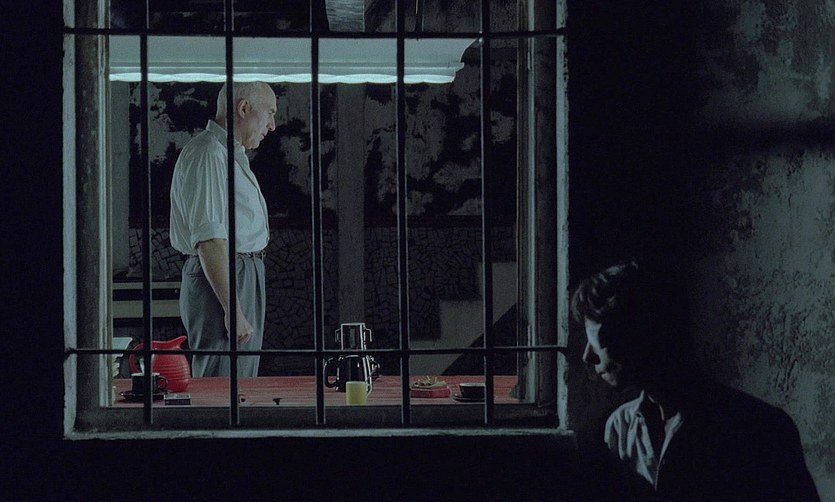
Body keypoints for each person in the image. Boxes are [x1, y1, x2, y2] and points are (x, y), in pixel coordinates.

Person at [571, 261, 819, 501]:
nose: (587, 355)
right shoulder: (621, 428)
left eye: (597, 339)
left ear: (639, 333)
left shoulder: (759, 430)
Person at [170, 81, 277, 377]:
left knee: (239, 378)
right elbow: (209, 239)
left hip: (238, 271)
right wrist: (234, 309)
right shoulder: (209, 154)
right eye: (269, 113)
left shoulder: (226, 154)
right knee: (224, 381)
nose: (272, 125)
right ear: (244, 108)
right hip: (225, 274)